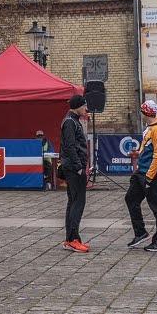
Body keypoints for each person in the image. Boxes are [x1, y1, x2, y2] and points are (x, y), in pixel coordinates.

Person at [125, 101, 157, 252]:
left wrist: (149, 176)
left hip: (152, 174)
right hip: (141, 172)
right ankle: (141, 233)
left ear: (145, 113)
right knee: (130, 199)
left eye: (141, 111)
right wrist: (139, 154)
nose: (140, 114)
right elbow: (149, 150)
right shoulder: (150, 128)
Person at [59, 94, 90, 252]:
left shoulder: (73, 120)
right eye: (84, 105)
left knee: (73, 202)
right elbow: (70, 146)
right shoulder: (70, 122)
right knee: (77, 203)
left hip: (73, 167)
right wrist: (79, 167)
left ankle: (71, 237)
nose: (86, 108)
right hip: (73, 169)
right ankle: (72, 239)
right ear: (77, 106)